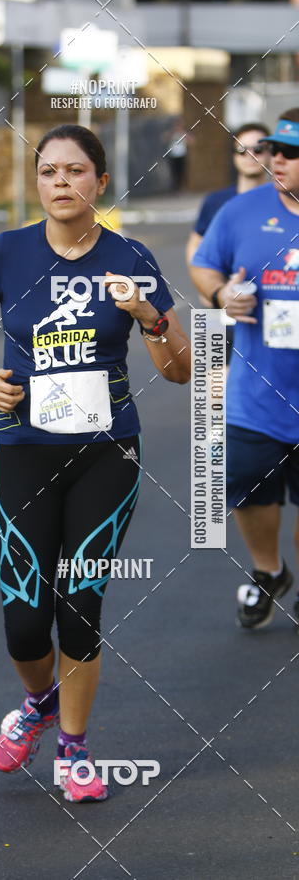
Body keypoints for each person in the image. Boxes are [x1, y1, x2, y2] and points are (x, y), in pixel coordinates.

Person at [0, 125, 191, 803]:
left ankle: (73, 749)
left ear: (100, 183)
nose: (61, 183)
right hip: (21, 447)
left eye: (75, 171)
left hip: (108, 453)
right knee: (24, 615)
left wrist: (149, 316)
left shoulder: (129, 256)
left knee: (80, 604)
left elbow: (180, 372)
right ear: (37, 182)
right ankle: (39, 703)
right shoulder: (7, 253)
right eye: (49, 172)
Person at [190, 108, 299, 633]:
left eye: (291, 153)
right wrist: (219, 294)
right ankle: (269, 569)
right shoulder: (240, 211)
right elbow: (203, 262)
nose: (277, 158)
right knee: (249, 484)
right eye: (274, 149)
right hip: (255, 389)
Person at [186, 123, 271, 365]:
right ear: (233, 157)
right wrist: (210, 291)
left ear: (271, 152)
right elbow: (195, 246)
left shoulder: (285, 201)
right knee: (210, 395)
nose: (250, 156)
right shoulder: (216, 202)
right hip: (218, 308)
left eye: (259, 148)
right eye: (242, 150)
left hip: (268, 310)